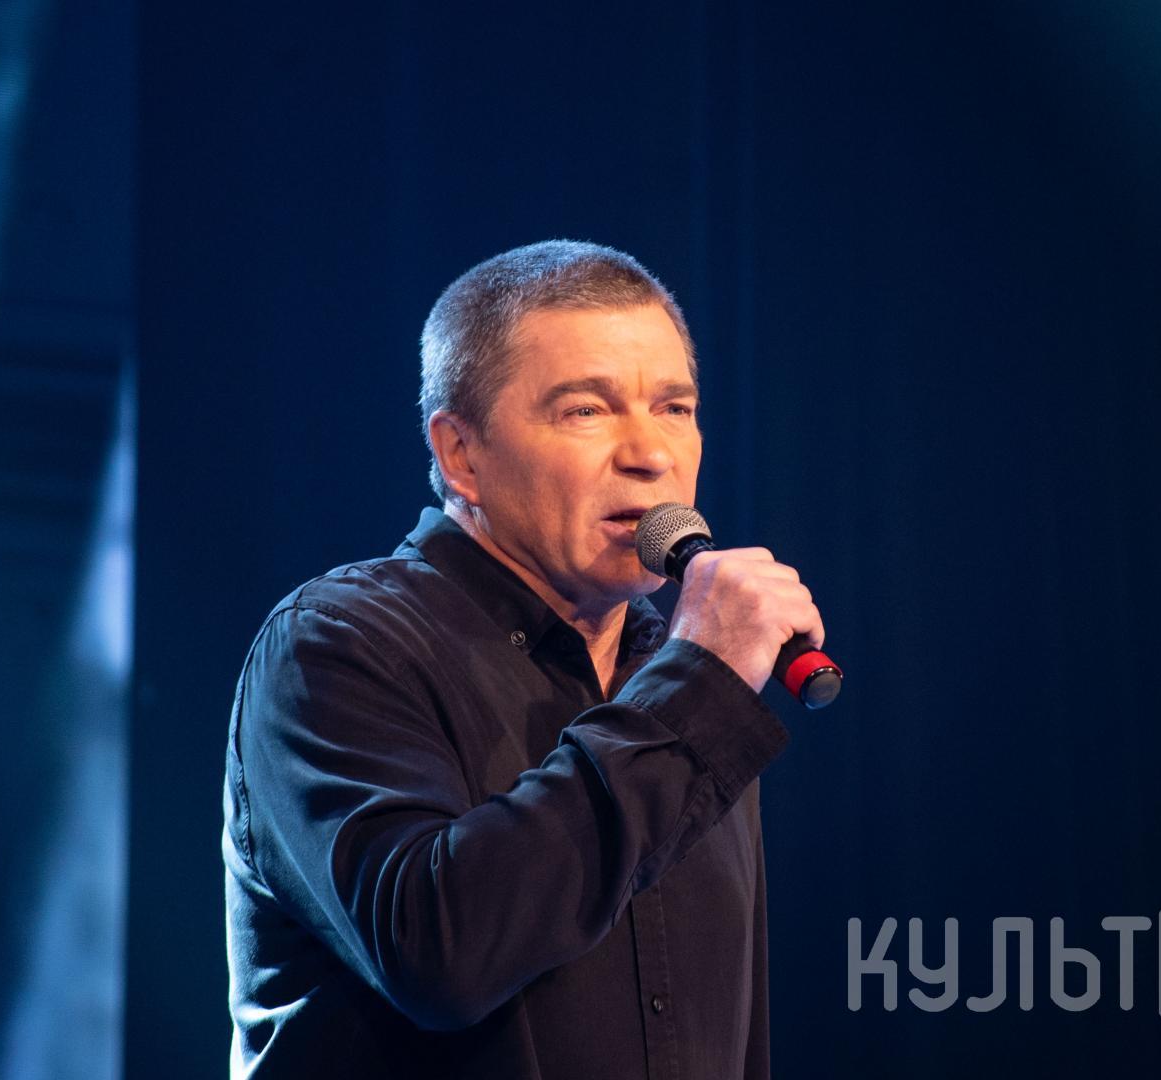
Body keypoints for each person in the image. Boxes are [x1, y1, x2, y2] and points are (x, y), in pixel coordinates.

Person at [223, 240, 825, 1078]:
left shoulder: (684, 675)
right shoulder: (337, 644)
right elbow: (440, 953)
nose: (650, 453)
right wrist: (695, 690)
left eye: (675, 407)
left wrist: (695, 685)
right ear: (461, 455)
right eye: (586, 410)